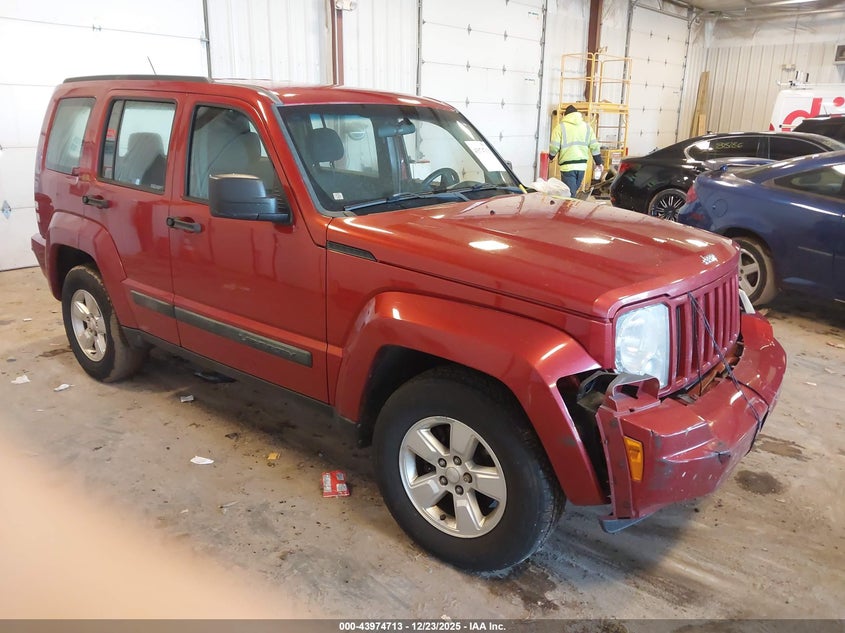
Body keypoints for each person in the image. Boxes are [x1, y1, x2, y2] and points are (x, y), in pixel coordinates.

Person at [549, 105, 602, 196]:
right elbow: (594, 146)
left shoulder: (560, 127)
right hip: (581, 166)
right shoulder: (587, 127)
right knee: (573, 192)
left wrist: (551, 156)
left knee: (570, 194)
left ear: (565, 115)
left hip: (567, 167)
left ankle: (570, 208)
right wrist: (598, 162)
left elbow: (554, 147)